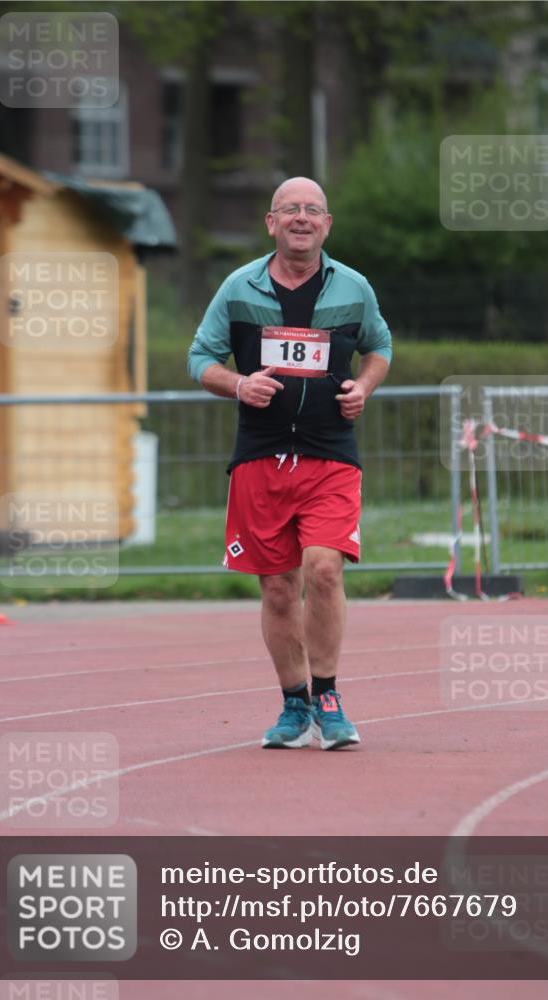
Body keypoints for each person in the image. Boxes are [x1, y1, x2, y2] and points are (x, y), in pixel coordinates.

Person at [188, 176, 392, 750]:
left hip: (330, 454)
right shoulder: (238, 287)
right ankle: (293, 705)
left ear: (327, 224)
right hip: (259, 457)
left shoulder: (353, 288)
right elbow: (199, 357)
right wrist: (237, 383)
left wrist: (365, 386)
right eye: (290, 209)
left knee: (324, 570)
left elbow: (380, 346)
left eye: (313, 210)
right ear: (271, 222)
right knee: (278, 588)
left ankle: (328, 697)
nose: (302, 218)